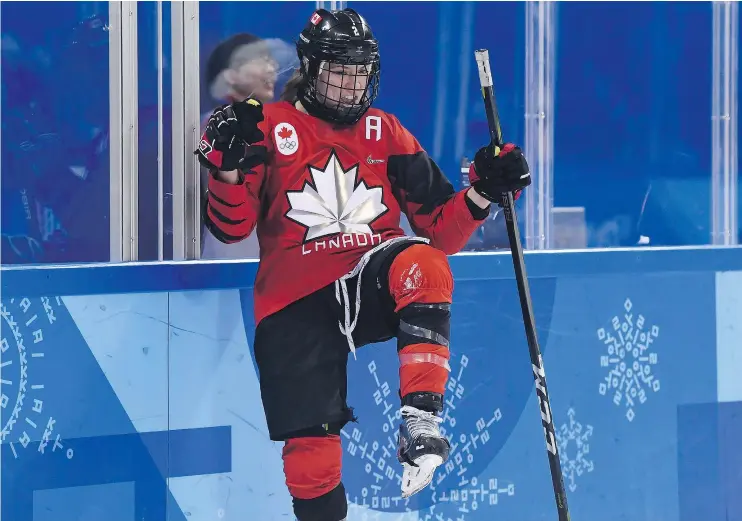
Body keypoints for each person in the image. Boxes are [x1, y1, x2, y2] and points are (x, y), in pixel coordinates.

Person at [196, 8, 530, 521]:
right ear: (310, 68)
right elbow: (232, 226)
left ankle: (420, 421)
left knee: (424, 263)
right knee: (310, 456)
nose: (352, 86)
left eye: (359, 73)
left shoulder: (386, 131)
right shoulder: (267, 124)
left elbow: (441, 229)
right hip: (293, 298)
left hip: (368, 272)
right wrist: (224, 170)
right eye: (339, 72)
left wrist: (483, 191)